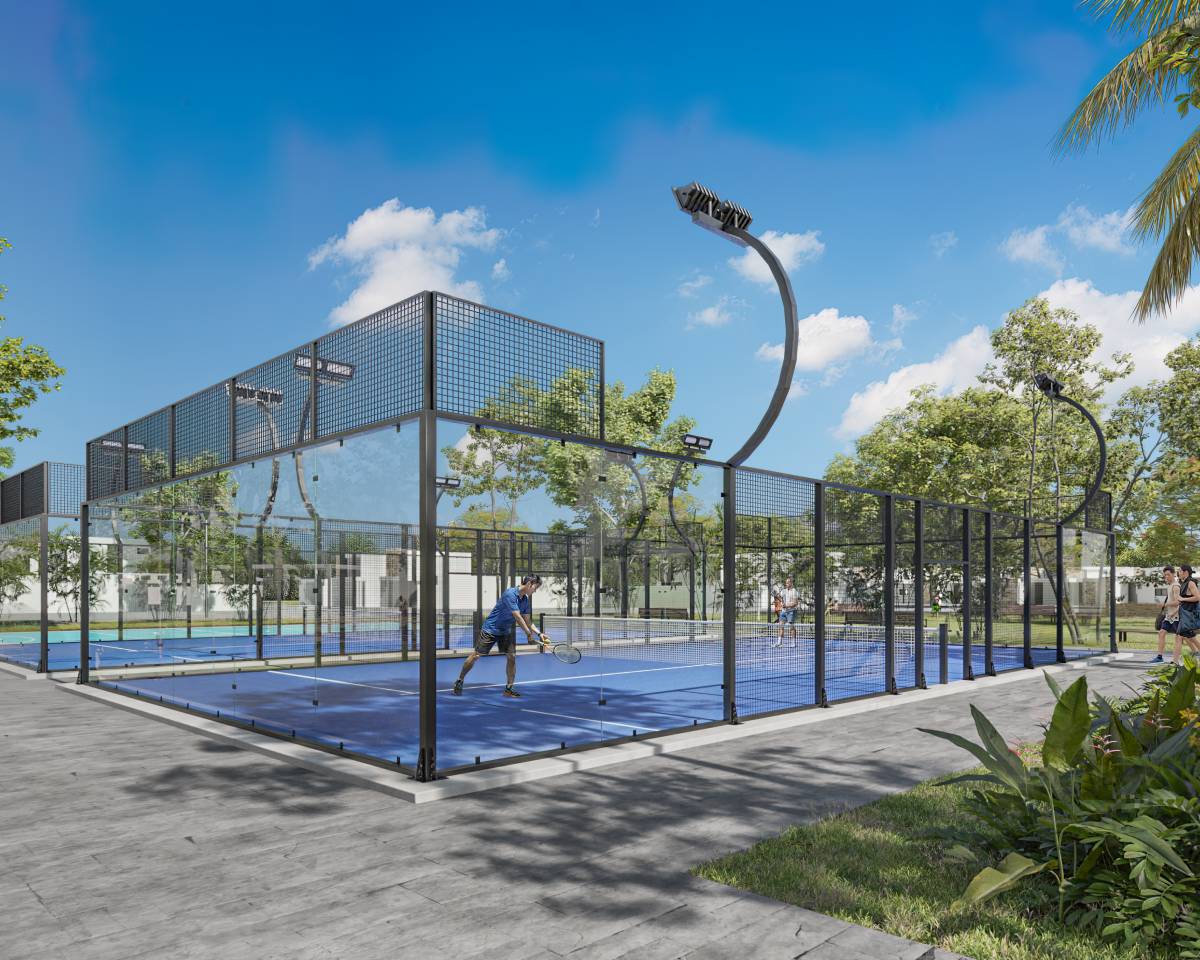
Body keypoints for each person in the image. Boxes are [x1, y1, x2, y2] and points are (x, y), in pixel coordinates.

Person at [452, 575, 547, 698]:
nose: (535, 591)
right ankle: (460, 680)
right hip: (491, 629)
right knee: (476, 655)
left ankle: (509, 689)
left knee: (511, 657)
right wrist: (528, 634)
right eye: (535, 587)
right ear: (529, 584)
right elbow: (518, 617)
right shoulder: (510, 594)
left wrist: (539, 633)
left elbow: (528, 621)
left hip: (505, 631)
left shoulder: (525, 601)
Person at [1152, 565, 1178, 664]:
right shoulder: (1170, 585)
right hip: (1169, 616)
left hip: (1177, 617)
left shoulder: (1176, 586)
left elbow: (1178, 602)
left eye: (1168, 574)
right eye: (1165, 575)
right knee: (1161, 633)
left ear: (1173, 574)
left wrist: (1164, 604)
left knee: (1187, 638)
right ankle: (1159, 657)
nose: (1166, 577)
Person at [1176, 563, 1200, 664]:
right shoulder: (1184, 583)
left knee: (1182, 635)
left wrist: (1183, 599)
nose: (1178, 573)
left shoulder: (1190, 583)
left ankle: (1176, 662)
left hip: (1189, 614)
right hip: (1184, 614)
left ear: (1185, 572)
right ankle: (1194, 653)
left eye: (1180, 571)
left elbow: (1197, 597)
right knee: (1186, 636)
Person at [773, 576, 800, 648]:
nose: (786, 584)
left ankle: (793, 643)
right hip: (784, 612)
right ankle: (779, 643)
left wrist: (787, 606)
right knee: (781, 626)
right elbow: (779, 597)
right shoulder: (784, 591)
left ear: (791, 583)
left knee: (791, 627)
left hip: (791, 611)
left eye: (788, 582)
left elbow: (795, 603)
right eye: (786, 583)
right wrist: (777, 597)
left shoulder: (794, 591)